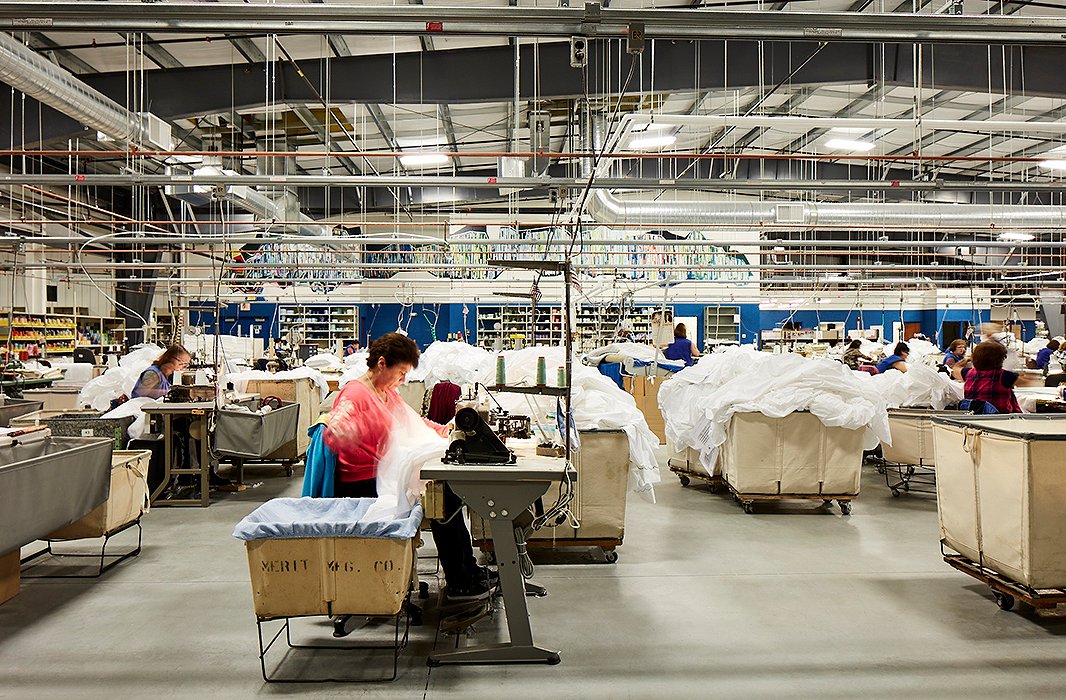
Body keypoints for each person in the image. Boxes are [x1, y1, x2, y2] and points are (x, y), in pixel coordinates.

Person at [324, 333, 494, 607]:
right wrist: (356, 430)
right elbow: (334, 432)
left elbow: (414, 422)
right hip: (365, 484)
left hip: (386, 473)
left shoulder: (387, 393)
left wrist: (446, 430)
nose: (403, 379)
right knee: (445, 499)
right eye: (401, 372)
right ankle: (460, 582)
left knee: (451, 492)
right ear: (382, 363)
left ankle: (469, 570)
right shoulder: (355, 394)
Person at [956, 341, 1022, 414]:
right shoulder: (1005, 376)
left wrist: (966, 359)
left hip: (973, 417)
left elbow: (956, 368)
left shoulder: (968, 373)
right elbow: (1029, 382)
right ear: (1000, 359)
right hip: (1000, 419)